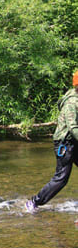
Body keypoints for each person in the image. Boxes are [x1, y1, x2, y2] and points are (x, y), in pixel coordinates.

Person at [25, 69, 78, 212]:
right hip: (65, 144)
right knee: (61, 178)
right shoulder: (72, 103)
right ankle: (34, 202)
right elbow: (73, 127)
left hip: (74, 142)